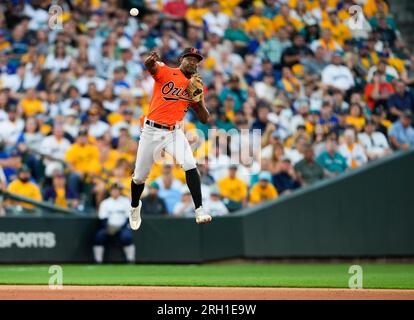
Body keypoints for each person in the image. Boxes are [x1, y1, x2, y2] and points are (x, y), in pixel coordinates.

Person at [129, 47, 212, 230]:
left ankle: (199, 209)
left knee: (190, 164)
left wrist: (198, 100)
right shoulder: (166, 71)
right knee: (139, 178)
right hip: (151, 131)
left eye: (196, 60)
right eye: (189, 58)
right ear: (181, 59)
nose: (193, 62)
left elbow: (205, 118)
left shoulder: (195, 84)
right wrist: (151, 60)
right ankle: (135, 207)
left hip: (174, 132)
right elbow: (150, 66)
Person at [93, 183, 135, 264]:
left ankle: (131, 259)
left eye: (117, 190)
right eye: (113, 190)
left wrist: (121, 227)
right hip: (109, 227)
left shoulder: (126, 201)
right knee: (99, 236)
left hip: (122, 227)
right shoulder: (105, 203)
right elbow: (102, 218)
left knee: (127, 237)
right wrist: (108, 228)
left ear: (119, 191)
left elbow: (128, 217)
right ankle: (98, 260)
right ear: (110, 191)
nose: (115, 192)